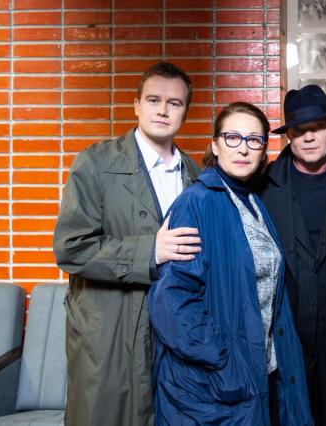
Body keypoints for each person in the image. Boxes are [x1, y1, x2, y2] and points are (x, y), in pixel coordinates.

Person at [53, 62, 202, 426]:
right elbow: (71, 248)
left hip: (175, 332)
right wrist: (150, 251)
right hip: (110, 332)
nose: (163, 110)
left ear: (185, 112)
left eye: (174, 103)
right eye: (153, 100)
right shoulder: (95, 163)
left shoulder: (196, 175)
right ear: (136, 105)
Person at [149, 102, 312, 425]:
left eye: (254, 140)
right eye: (233, 137)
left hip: (257, 373)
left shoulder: (252, 201)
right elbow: (171, 301)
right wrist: (224, 359)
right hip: (212, 384)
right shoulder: (196, 203)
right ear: (215, 145)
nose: (243, 148)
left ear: (263, 151)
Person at [256, 84, 326, 425]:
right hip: (285, 335)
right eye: (298, 130)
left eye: (317, 127)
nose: (308, 137)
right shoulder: (262, 186)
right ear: (289, 137)